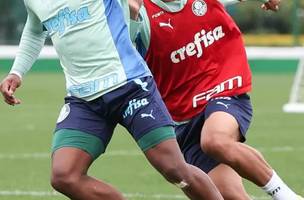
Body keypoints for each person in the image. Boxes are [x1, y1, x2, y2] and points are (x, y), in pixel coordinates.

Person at [0, 0, 225, 200]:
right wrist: (16, 72)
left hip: (130, 86)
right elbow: (34, 30)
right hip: (84, 100)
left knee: (175, 169)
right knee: (64, 176)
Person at [130, 0, 304, 199]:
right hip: (183, 117)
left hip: (223, 89)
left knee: (215, 140)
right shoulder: (138, 11)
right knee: (231, 195)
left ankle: (288, 196)